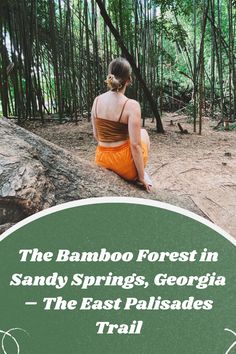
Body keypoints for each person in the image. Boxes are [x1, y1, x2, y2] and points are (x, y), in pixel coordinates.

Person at [91, 57, 152, 192]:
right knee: (143, 133)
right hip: (123, 165)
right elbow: (135, 145)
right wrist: (142, 177)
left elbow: (96, 135)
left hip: (101, 159)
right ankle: (141, 173)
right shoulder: (131, 105)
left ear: (110, 75)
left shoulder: (96, 101)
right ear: (129, 79)